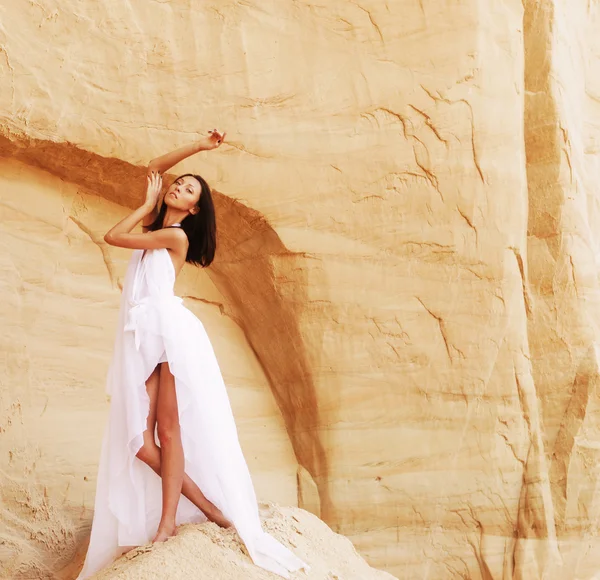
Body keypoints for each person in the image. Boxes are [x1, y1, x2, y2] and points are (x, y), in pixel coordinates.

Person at [76, 131, 309, 579]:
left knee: (168, 430)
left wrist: (145, 208)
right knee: (142, 443)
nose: (179, 187)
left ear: (195, 209)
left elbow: (112, 235)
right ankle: (207, 506)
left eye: (190, 190)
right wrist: (199, 149)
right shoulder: (162, 228)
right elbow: (155, 165)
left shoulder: (174, 236)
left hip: (171, 337)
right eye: (179, 183)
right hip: (149, 336)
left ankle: (167, 525)